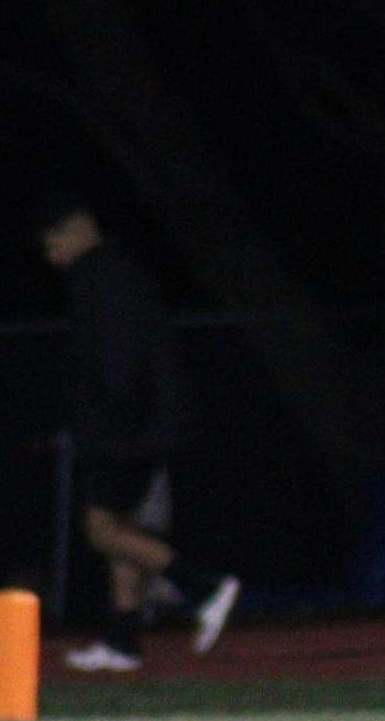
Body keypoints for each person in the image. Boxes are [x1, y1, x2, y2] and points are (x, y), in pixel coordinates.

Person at [36, 195, 240, 673]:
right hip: (141, 427)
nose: (52, 257)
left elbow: (117, 365)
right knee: (122, 529)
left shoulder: (100, 276)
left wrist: (111, 426)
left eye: (54, 244)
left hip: (125, 431)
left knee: (101, 531)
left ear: (78, 229)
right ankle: (123, 641)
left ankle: (204, 586)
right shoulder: (119, 271)